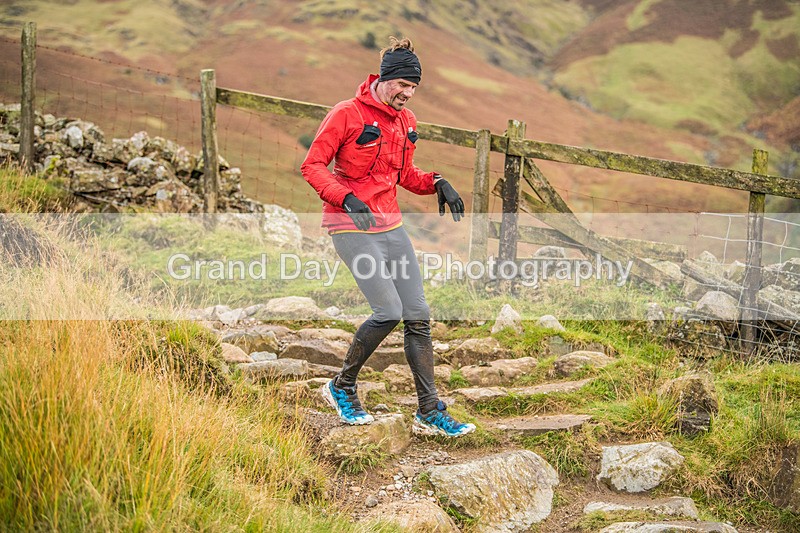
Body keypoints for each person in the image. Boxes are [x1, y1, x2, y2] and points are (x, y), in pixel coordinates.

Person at [300, 36, 475, 437]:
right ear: (384, 79)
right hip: (350, 225)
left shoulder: (407, 122)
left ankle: (429, 410)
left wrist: (437, 182)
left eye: (414, 88)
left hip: (391, 225)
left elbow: (402, 176)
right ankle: (341, 386)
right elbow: (312, 166)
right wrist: (344, 198)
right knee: (388, 311)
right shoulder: (346, 114)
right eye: (402, 85)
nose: (407, 94)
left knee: (417, 315)